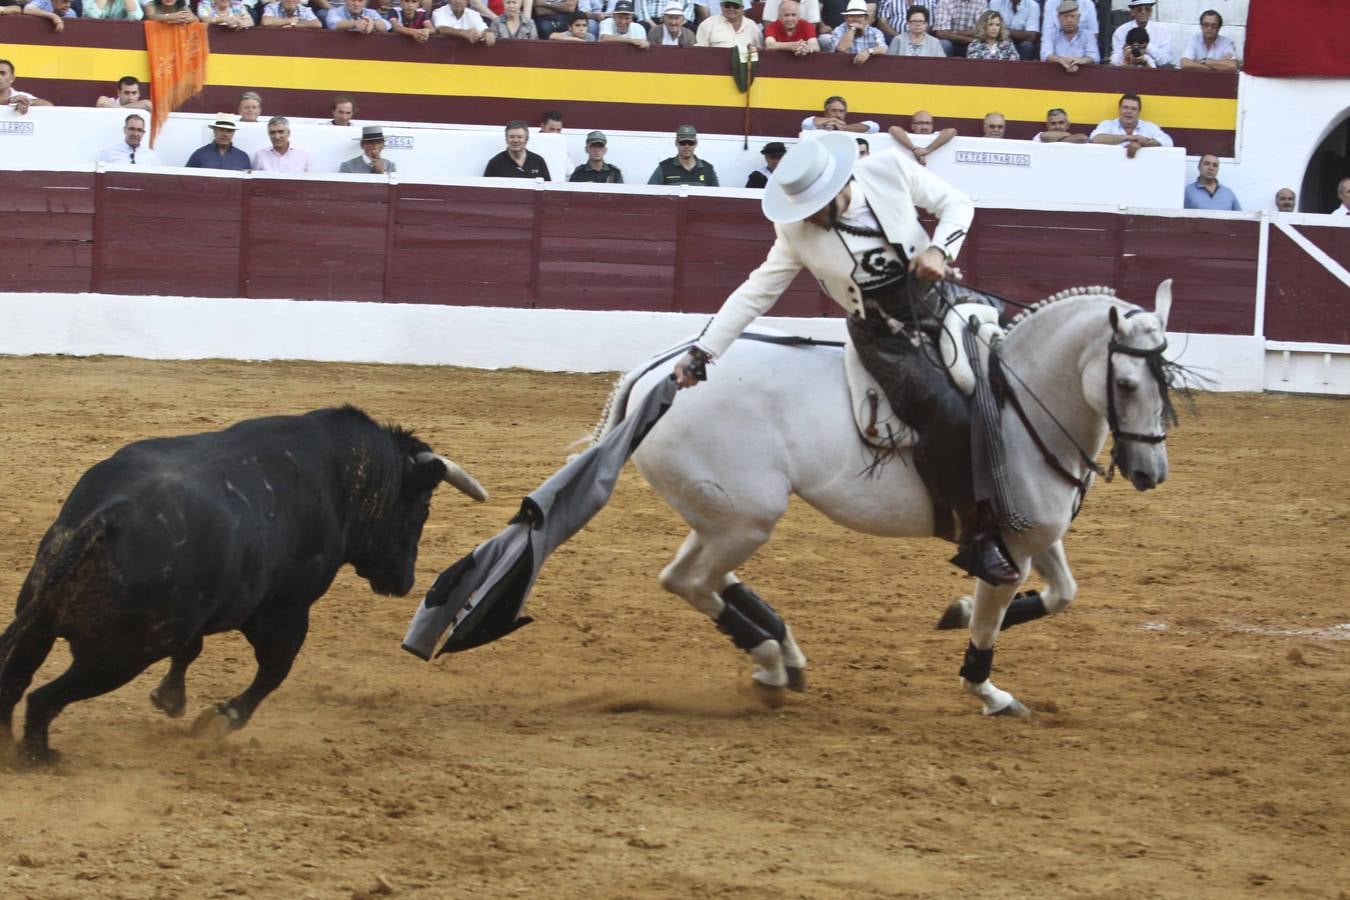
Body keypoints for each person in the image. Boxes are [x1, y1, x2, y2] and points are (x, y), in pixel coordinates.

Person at [668, 133, 1020, 585]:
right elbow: (756, 292)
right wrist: (704, 352)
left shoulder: (889, 169)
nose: (810, 216)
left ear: (840, 183)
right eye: (802, 208)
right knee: (946, 412)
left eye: (816, 204)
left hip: (940, 300)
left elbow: (958, 204)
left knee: (1021, 365)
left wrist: (939, 249)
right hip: (883, 334)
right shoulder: (794, 231)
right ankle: (975, 532)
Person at [1090, 93, 1172, 158]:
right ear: (1119, 109)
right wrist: (1130, 137)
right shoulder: (1107, 124)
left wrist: (1142, 144)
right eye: (1125, 107)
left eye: (1133, 109)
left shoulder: (1150, 127)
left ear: (1139, 112)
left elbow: (1167, 142)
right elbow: (1095, 139)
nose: (1129, 111)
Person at [648, 124, 719, 186]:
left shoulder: (708, 169)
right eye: (683, 143)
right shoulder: (664, 167)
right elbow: (649, 193)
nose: (687, 146)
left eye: (690, 143)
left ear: (696, 143)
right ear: (676, 143)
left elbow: (717, 197)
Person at [1110, 0, 1170, 68]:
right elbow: (1114, 60)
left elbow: (1165, 61)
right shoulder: (1121, 31)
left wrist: (1146, 46)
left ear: (1151, 12)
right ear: (1132, 12)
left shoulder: (1162, 31)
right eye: (1139, 9)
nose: (1143, 12)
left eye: (1147, 9)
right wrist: (1125, 55)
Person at [1040, 0, 1096, 71]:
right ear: (1058, 18)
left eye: (1072, 16)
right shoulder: (1050, 34)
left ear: (1078, 18)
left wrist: (1081, 61)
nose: (1069, 20)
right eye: (1065, 17)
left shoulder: (1088, 35)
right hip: (1055, 73)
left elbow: (1094, 57)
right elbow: (1045, 55)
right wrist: (1060, 60)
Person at [484, 120, 551, 178]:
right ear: (506, 139)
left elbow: (548, 189)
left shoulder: (538, 161)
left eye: (520, 137)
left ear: (526, 139)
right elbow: (486, 190)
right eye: (512, 137)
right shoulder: (495, 163)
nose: (515, 140)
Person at [829, 0, 887, 65]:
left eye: (859, 16)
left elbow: (883, 49)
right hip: (843, 68)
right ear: (846, 18)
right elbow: (841, 49)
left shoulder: (875, 32)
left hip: (869, 69)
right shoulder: (839, 30)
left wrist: (868, 52)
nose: (855, 19)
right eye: (852, 16)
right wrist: (852, 29)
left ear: (866, 19)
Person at [185, 115, 251, 170]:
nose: (225, 134)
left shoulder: (242, 157)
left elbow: (247, 183)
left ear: (233, 133)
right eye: (221, 130)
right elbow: (187, 178)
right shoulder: (199, 154)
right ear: (214, 131)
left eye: (229, 131)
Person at [889, 113, 955, 165]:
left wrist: (927, 150)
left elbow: (952, 131)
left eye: (927, 123)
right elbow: (893, 129)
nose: (924, 127)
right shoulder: (906, 136)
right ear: (912, 126)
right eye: (920, 123)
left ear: (932, 126)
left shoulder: (936, 136)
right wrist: (914, 150)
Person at [98, 114, 162, 165]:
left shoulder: (152, 157)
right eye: (132, 129)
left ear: (143, 133)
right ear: (125, 130)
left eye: (139, 130)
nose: (135, 134)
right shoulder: (108, 153)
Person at [695, 0, 762, 50]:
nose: (731, 9)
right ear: (721, 6)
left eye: (736, 6)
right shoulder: (708, 24)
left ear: (742, 8)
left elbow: (760, 51)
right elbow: (700, 52)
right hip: (716, 66)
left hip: (747, 67)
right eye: (727, 5)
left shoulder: (752, 26)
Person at [802, 95, 879, 135]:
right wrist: (832, 120)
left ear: (845, 113)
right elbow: (806, 123)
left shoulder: (851, 129)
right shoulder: (815, 128)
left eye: (841, 111)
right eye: (834, 111)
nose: (838, 114)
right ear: (826, 113)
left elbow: (874, 127)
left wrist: (845, 128)